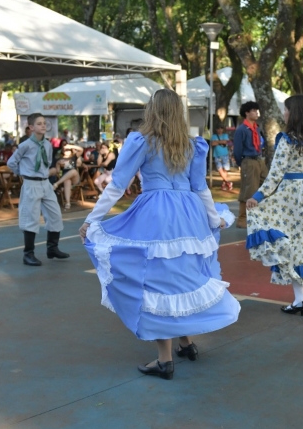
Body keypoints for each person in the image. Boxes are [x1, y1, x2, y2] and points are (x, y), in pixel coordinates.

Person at [78, 89, 240, 380]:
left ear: (152, 111)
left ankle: (164, 360)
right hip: (189, 215)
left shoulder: (142, 141)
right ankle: (186, 343)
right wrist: (213, 219)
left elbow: (117, 184)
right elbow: (200, 187)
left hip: (156, 214)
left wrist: (92, 219)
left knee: (156, 281)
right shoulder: (192, 144)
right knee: (183, 276)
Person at [245, 94, 303, 315]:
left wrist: (257, 197)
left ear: (293, 113)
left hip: (290, 194)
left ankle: (300, 299)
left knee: (287, 244)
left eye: (286, 110)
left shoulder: (286, 140)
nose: (284, 114)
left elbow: (275, 175)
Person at [7, 113, 70, 266]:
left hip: (45, 183)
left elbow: (47, 163)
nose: (43, 125)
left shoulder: (48, 145)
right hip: (31, 184)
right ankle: (28, 254)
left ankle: (52, 248)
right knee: (31, 218)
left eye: (44, 123)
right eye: (39, 123)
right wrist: (23, 173)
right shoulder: (25, 145)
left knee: (55, 214)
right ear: (31, 127)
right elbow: (11, 163)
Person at [233, 102, 268, 228]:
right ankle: (243, 219)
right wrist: (242, 163)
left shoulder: (257, 128)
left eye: (257, 110)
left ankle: (260, 215)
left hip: (259, 160)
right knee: (249, 189)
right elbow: (237, 150)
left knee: (267, 185)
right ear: (247, 113)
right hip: (249, 160)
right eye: (253, 110)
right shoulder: (242, 129)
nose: (256, 113)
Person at [53, 144, 84, 210]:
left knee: (73, 171)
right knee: (67, 180)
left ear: (71, 150)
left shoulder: (74, 157)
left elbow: (81, 149)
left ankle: (56, 184)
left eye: (68, 150)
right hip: (66, 179)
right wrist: (58, 164)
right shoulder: (60, 159)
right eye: (65, 150)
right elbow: (58, 173)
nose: (66, 151)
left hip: (75, 179)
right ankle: (68, 203)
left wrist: (70, 146)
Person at [211, 124, 233, 191]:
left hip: (225, 154)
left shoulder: (225, 135)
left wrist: (217, 142)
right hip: (217, 155)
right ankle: (228, 182)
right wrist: (221, 142)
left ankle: (224, 184)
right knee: (219, 169)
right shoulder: (214, 136)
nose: (219, 130)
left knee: (225, 169)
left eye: (221, 128)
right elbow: (212, 144)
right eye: (218, 128)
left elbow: (226, 142)